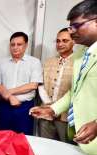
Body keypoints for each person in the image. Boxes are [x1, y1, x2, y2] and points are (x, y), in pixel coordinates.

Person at [30, 0, 97, 145]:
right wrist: (52, 109)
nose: (72, 32)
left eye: (76, 26)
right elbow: (75, 92)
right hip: (80, 133)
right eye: (70, 27)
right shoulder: (82, 55)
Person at [0, 32, 42, 135]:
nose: (15, 47)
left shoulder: (34, 62)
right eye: (12, 44)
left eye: (19, 44)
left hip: (25, 108)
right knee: (3, 138)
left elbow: (33, 85)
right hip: (5, 107)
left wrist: (9, 92)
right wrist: (10, 97)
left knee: (23, 139)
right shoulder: (1, 62)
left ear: (26, 45)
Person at [37, 28, 74, 142]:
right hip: (45, 114)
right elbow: (41, 84)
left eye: (64, 40)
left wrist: (57, 107)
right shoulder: (48, 61)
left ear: (74, 41)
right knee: (45, 147)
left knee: (66, 149)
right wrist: (49, 104)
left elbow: (76, 90)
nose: (60, 44)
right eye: (58, 41)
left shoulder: (79, 61)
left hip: (66, 116)